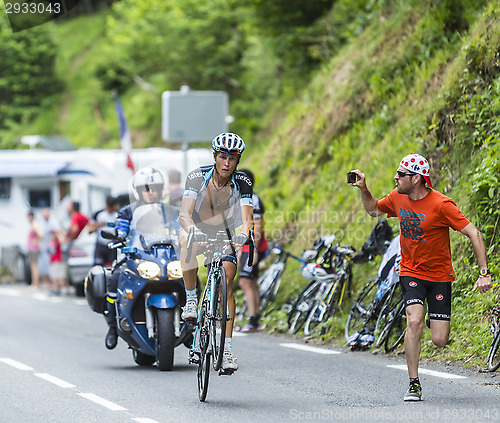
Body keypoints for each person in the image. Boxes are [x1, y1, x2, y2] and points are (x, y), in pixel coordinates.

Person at [349, 153, 491, 401]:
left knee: (439, 340)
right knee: (413, 321)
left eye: (400, 174)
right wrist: (363, 188)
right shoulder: (397, 197)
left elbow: (474, 233)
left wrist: (483, 273)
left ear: (416, 179)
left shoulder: (442, 204)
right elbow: (373, 209)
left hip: (439, 276)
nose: (396, 177)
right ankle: (413, 383)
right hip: (410, 272)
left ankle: (432, 321)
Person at [179, 132, 253, 372]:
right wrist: (192, 231)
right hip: (198, 227)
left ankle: (227, 349)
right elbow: (184, 215)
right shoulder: (197, 177)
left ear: (238, 160)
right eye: (223, 157)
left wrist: (244, 234)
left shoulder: (243, 181)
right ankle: (191, 300)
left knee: (228, 283)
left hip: (226, 233)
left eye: (232, 158)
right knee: (184, 239)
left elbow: (247, 219)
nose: (227, 163)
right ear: (214, 156)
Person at [104, 167, 166, 350]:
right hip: (135, 257)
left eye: (155, 188)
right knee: (114, 277)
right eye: (146, 188)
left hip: (162, 258)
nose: (151, 192)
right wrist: (120, 235)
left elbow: (179, 226)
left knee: (189, 276)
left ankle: (192, 321)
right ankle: (113, 327)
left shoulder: (167, 210)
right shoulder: (127, 211)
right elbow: (121, 229)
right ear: (138, 191)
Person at [236, 169, 268, 333]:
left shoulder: (252, 199)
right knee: (252, 282)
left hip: (253, 245)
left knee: (245, 282)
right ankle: (255, 317)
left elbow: (257, 226)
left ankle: (253, 320)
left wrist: (252, 250)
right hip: (248, 246)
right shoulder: (247, 198)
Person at [88, 195, 118, 266]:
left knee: (111, 267)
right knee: (98, 266)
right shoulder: (98, 214)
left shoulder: (117, 215)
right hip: (101, 245)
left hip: (112, 246)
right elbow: (90, 230)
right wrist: (99, 225)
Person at [38, 208, 60, 288]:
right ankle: (46, 281)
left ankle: (54, 284)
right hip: (45, 247)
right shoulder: (42, 223)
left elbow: (57, 230)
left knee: (54, 268)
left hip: (53, 249)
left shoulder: (53, 222)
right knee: (45, 265)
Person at [26, 210, 43, 289]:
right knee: (34, 266)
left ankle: (35, 284)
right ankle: (35, 283)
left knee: (34, 266)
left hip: (34, 249)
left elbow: (41, 234)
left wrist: (36, 241)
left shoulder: (34, 224)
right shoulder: (33, 224)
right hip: (32, 249)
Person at [47, 229, 66, 295]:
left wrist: (58, 234)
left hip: (57, 261)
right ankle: (55, 287)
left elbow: (62, 242)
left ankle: (57, 288)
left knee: (58, 276)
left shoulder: (58, 242)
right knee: (53, 275)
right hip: (52, 261)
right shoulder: (50, 242)